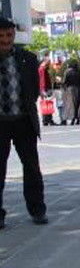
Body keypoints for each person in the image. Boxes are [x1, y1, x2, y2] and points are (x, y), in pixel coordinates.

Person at [0, 17, 48, 229]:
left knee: (31, 168)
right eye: (1, 36)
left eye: (9, 35)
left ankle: (37, 210)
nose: (5, 40)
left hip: (23, 122)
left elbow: (34, 89)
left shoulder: (27, 59)